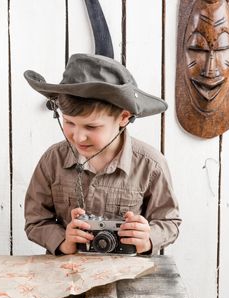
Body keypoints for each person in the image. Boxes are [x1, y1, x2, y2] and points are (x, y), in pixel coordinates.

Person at [23, 54, 181, 256]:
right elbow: (35, 220)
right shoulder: (53, 160)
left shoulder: (150, 164)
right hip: (66, 274)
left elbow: (170, 222)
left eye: (91, 126)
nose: (78, 137)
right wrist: (64, 241)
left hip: (129, 276)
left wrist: (148, 238)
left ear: (123, 117)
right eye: (69, 122)